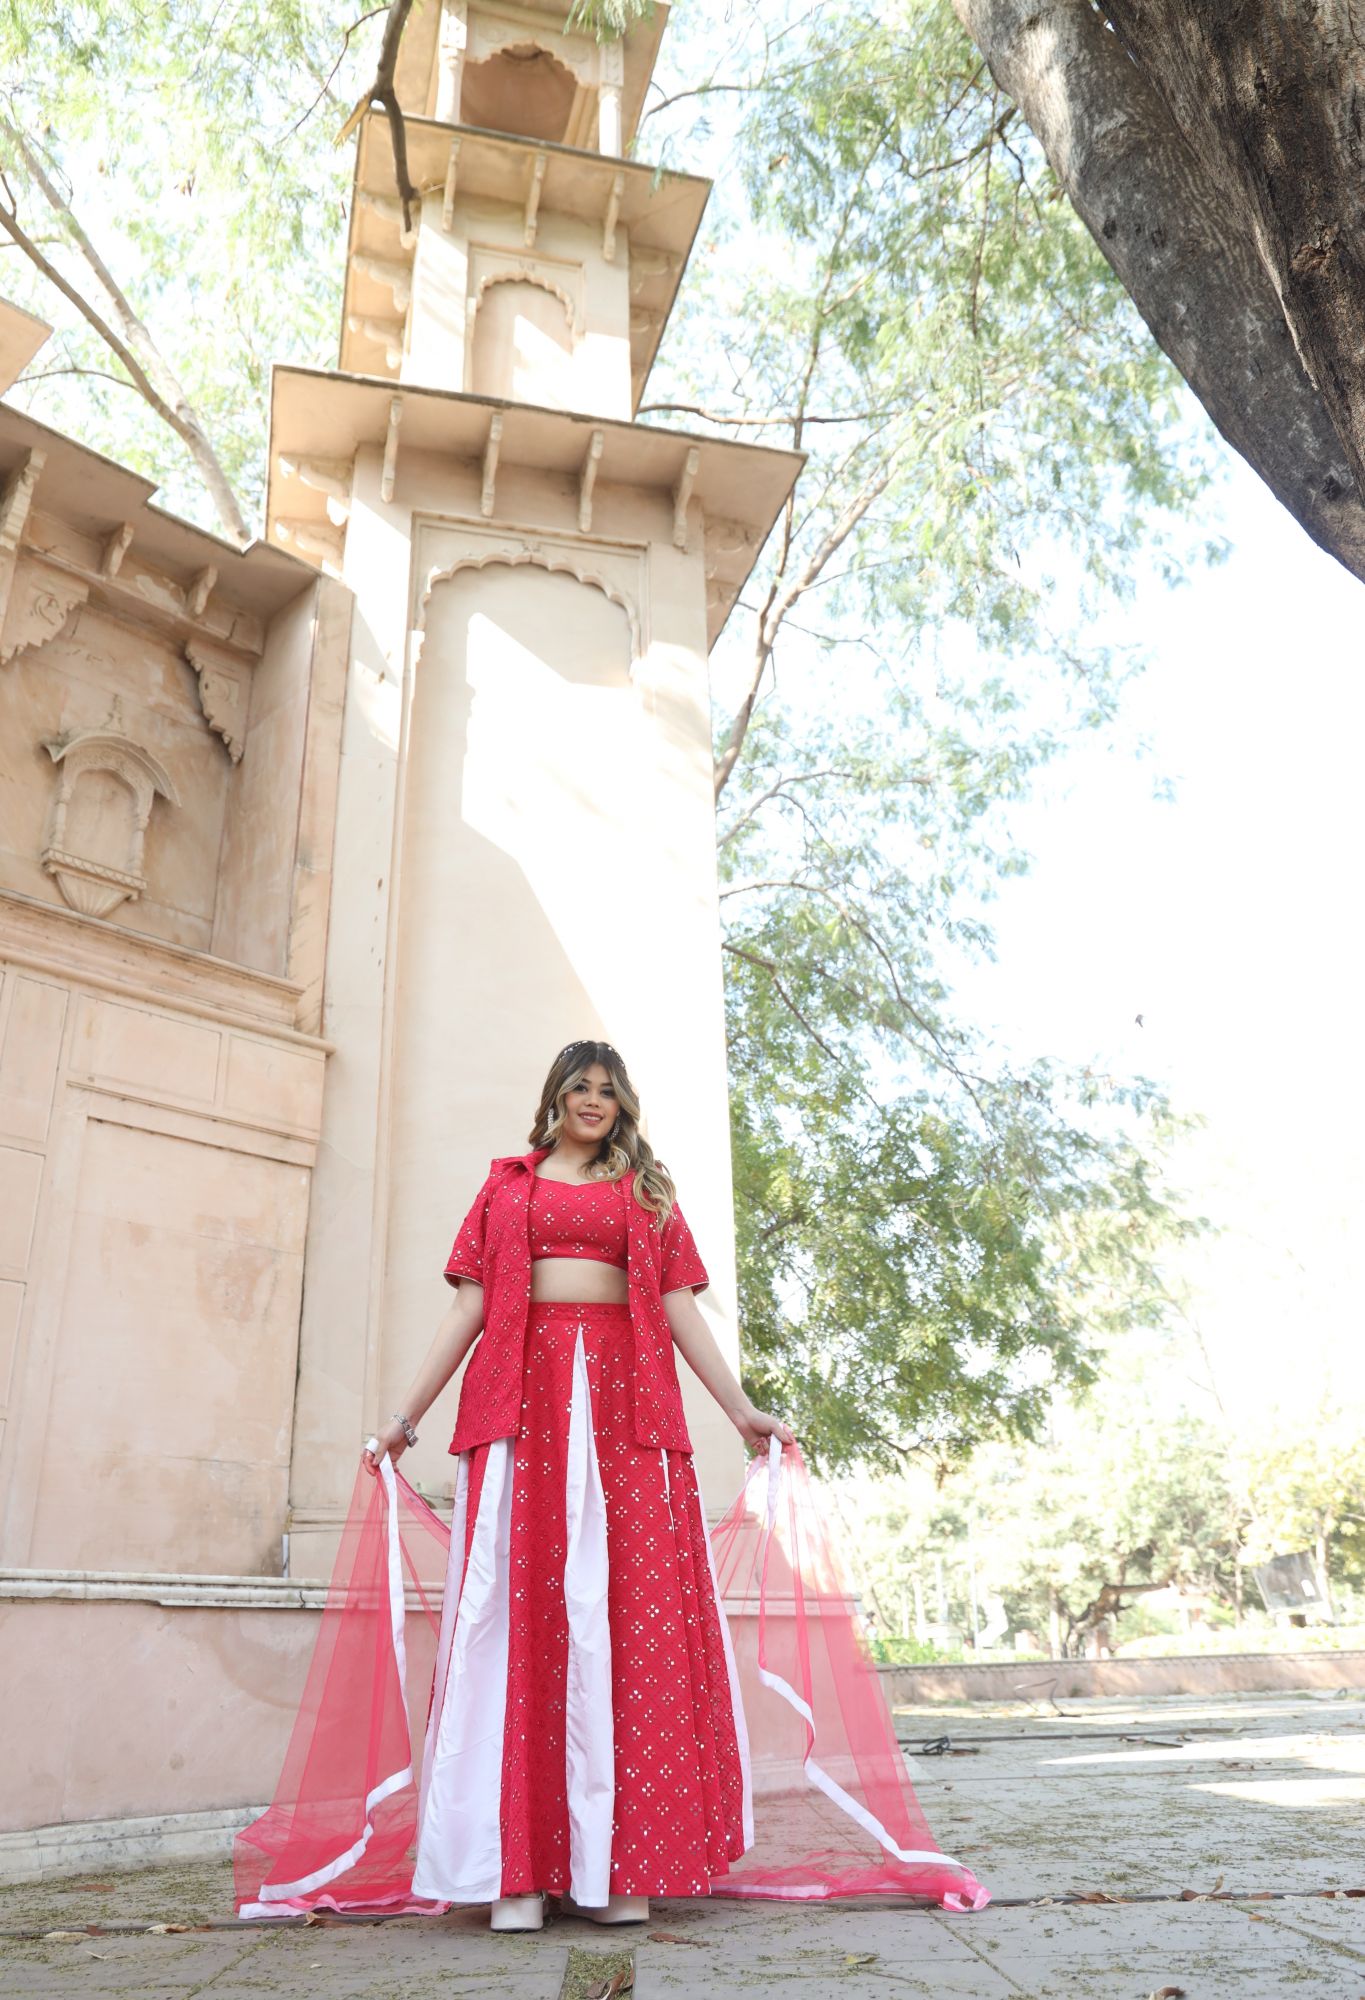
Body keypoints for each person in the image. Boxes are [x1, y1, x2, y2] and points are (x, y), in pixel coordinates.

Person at [361, 1038, 794, 1932]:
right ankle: (515, 1870)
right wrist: (404, 1418)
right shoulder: (505, 1185)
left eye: (606, 1089)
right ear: (554, 1099)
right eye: (578, 1087)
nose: (592, 1100)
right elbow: (469, 1309)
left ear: (621, 1104)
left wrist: (741, 1412)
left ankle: (614, 1864)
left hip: (628, 1422)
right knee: (517, 1626)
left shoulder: (647, 1192)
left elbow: (679, 1310)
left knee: (627, 1624)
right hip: (521, 1414)